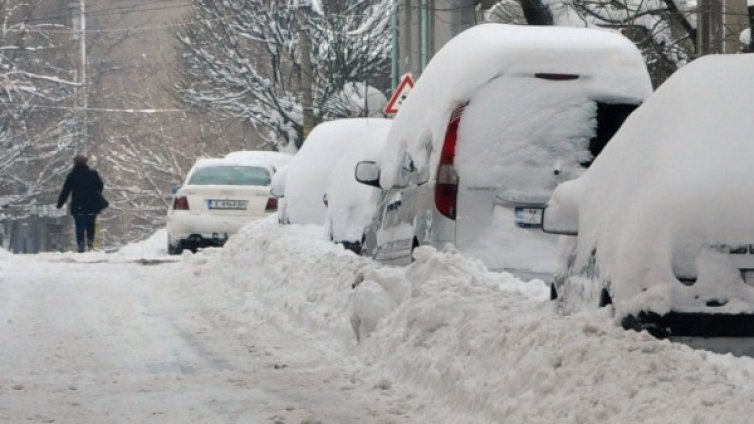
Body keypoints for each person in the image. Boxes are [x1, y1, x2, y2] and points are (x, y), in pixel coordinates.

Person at [56, 154, 106, 252]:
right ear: (86, 162)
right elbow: (100, 186)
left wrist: (60, 204)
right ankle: (90, 244)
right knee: (90, 225)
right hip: (92, 205)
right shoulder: (93, 174)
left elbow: (65, 191)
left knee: (79, 226)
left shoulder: (72, 176)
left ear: (75, 163)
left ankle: (81, 246)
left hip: (78, 206)